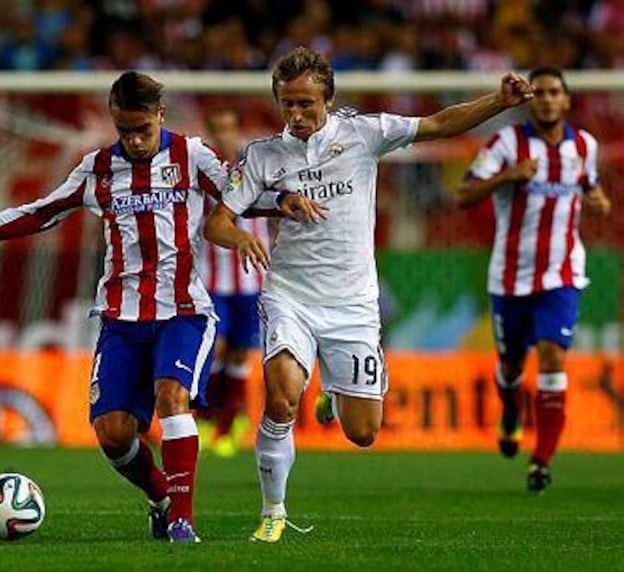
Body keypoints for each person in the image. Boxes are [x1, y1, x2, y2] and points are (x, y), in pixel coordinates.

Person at [0, 71, 319, 543]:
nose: (134, 141)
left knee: (172, 397)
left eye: (142, 130)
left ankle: (182, 523)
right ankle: (161, 498)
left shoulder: (190, 155)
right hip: (120, 319)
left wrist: (284, 200)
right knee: (114, 434)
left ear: (160, 116)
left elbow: (241, 195)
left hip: (183, 311)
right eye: (124, 131)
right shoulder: (96, 169)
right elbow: (40, 212)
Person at [204, 46, 533, 542]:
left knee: (362, 433)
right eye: (287, 103)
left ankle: (338, 393)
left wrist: (498, 102)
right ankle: (273, 511)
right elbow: (218, 223)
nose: (296, 114)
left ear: (329, 100)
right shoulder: (263, 155)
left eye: (306, 104)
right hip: (290, 294)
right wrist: (247, 233)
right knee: (281, 400)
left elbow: (440, 125)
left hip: (353, 303)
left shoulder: (364, 133)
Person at [456, 66, 612, 492]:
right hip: (509, 278)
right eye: (538, 92)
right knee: (510, 366)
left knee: (552, 357)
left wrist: (598, 199)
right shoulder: (507, 144)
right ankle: (509, 409)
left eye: (553, 92)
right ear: (530, 99)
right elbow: (463, 193)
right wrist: (507, 176)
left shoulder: (584, 145)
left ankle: (541, 461)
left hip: (561, 275)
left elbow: (592, 188)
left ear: (566, 100)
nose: (545, 98)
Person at [197, 108, 271, 457]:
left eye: (229, 127)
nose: (224, 135)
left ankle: (231, 421)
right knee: (218, 348)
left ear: (237, 129)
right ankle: (207, 416)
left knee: (241, 353)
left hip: (252, 279)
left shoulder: (258, 168)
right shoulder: (202, 173)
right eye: (218, 129)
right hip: (213, 279)